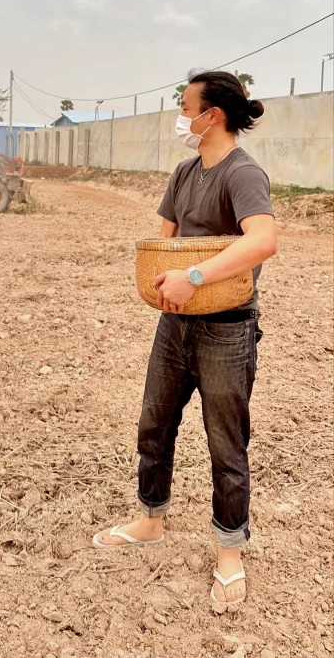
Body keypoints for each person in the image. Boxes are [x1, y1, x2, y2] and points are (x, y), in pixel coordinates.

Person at [92, 71, 277, 610]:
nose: (181, 116)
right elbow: (163, 239)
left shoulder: (243, 174)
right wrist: (157, 275)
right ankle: (151, 519)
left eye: (185, 105)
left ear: (211, 114)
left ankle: (228, 552)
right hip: (175, 323)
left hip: (227, 328)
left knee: (226, 441)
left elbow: (263, 240)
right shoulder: (184, 170)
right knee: (155, 422)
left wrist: (194, 277)